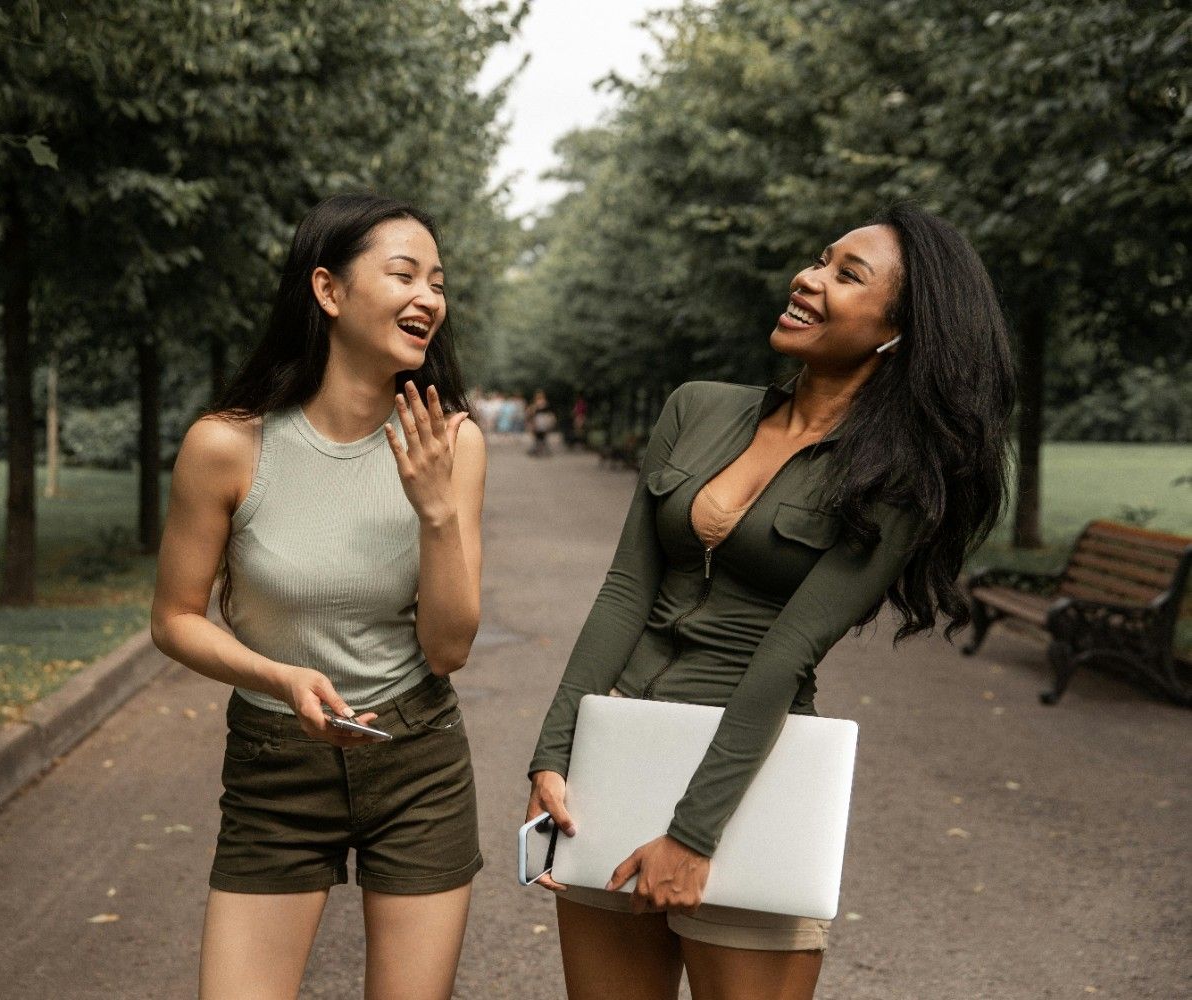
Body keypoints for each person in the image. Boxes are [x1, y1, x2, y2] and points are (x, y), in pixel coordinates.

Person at [525, 204, 1014, 1000]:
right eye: (820, 259)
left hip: (750, 787)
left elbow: (790, 651)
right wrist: (553, 754)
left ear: (897, 332)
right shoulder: (696, 407)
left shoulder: (896, 477)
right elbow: (625, 590)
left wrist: (692, 834)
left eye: (847, 276)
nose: (808, 279)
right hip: (619, 760)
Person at [151, 192, 487, 1000]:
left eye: (438, 282)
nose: (428, 297)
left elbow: (449, 649)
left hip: (417, 759)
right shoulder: (228, 444)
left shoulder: (453, 443)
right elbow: (173, 620)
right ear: (329, 290)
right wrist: (280, 678)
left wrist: (436, 510)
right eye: (404, 274)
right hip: (275, 762)